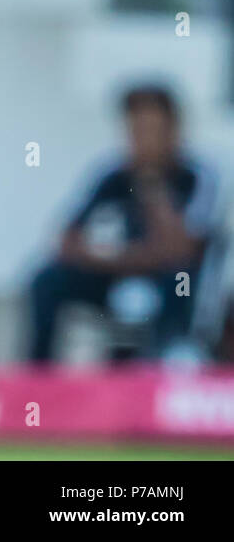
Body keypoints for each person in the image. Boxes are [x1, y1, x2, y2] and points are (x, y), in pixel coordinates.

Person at [27, 84, 223, 362]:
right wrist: (119, 259)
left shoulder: (197, 176)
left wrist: (153, 190)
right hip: (119, 270)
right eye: (136, 130)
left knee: (178, 277)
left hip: (173, 286)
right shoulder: (113, 176)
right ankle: (36, 380)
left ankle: (161, 363)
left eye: (152, 130)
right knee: (47, 280)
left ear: (173, 130)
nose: (142, 140)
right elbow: (66, 240)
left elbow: (183, 249)